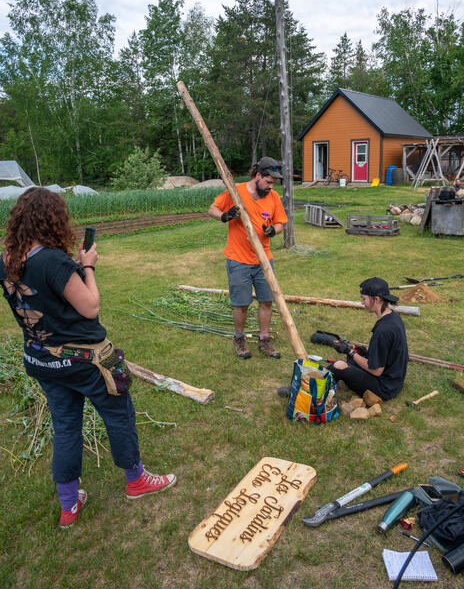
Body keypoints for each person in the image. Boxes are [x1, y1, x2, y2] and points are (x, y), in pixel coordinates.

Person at [0, 187, 176, 528]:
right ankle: (136, 479)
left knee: (65, 426)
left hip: (42, 361)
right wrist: (87, 267)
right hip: (88, 360)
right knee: (119, 413)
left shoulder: (7, 260)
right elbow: (90, 307)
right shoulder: (54, 261)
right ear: (54, 220)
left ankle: (69, 503)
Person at [208, 157, 288, 360]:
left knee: (267, 301)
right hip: (239, 260)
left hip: (263, 260)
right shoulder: (236, 192)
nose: (271, 187)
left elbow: (280, 222)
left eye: (273, 183)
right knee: (241, 304)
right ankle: (239, 338)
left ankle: (264, 339)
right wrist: (225, 216)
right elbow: (212, 209)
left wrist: (273, 231)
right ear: (258, 175)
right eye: (268, 182)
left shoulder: (274, 197)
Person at [329, 277, 408, 401]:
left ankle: (309, 387)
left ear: (376, 299)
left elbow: (376, 371)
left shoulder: (383, 330)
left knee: (338, 366)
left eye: (364, 299)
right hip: (395, 380)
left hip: (385, 387)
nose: (362, 302)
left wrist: (349, 351)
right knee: (354, 358)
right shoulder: (393, 317)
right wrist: (362, 352)